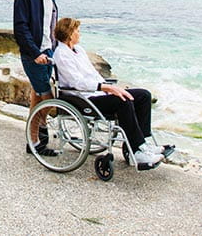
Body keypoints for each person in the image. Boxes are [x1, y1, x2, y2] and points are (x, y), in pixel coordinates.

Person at [52, 17, 174, 169]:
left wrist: (111, 86)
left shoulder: (79, 50)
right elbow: (77, 83)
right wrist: (106, 88)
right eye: (77, 31)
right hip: (84, 98)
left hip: (98, 93)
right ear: (70, 34)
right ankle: (137, 151)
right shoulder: (61, 54)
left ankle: (142, 144)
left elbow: (93, 74)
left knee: (143, 95)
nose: (79, 33)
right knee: (122, 100)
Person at [13, 0, 73, 156]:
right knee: (48, 97)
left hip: (49, 52)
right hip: (34, 54)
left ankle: (33, 141)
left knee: (37, 96)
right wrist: (35, 53)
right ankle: (39, 133)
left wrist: (60, 48)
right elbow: (20, 29)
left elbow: (50, 25)